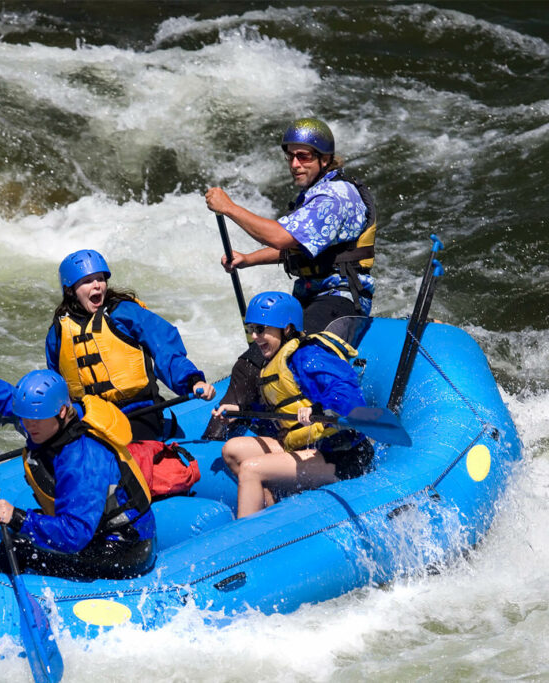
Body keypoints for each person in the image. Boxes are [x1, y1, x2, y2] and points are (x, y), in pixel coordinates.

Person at [0, 362, 156, 579]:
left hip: (123, 547)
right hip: (95, 529)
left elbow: (75, 533)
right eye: (26, 418)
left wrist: (18, 518)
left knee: (19, 547)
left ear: (62, 412)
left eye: (35, 419)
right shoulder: (48, 420)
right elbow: (12, 404)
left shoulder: (82, 460)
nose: (28, 426)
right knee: (24, 531)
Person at [205, 117, 377, 334]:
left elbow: (280, 237)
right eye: (290, 156)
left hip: (340, 299)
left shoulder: (334, 197)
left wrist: (229, 208)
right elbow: (295, 247)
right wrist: (248, 260)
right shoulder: (315, 193)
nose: (295, 165)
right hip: (311, 297)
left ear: (324, 159)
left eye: (303, 156)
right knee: (255, 358)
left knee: (293, 352)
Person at [211, 292, 374, 518]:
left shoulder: (309, 355)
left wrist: (319, 410)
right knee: (232, 450)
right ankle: (270, 514)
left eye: (261, 329)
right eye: (251, 330)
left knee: (251, 470)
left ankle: (248, 543)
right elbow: (282, 416)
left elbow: (349, 396)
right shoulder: (273, 364)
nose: (255, 337)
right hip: (306, 447)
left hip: (340, 455)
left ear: (286, 329)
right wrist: (243, 413)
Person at [46, 248, 215, 441]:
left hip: (137, 409)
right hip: (90, 416)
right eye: (87, 281)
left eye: (100, 279)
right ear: (70, 290)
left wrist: (192, 381)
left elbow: (164, 349)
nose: (97, 286)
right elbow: (56, 382)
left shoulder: (124, 313)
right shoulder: (58, 332)